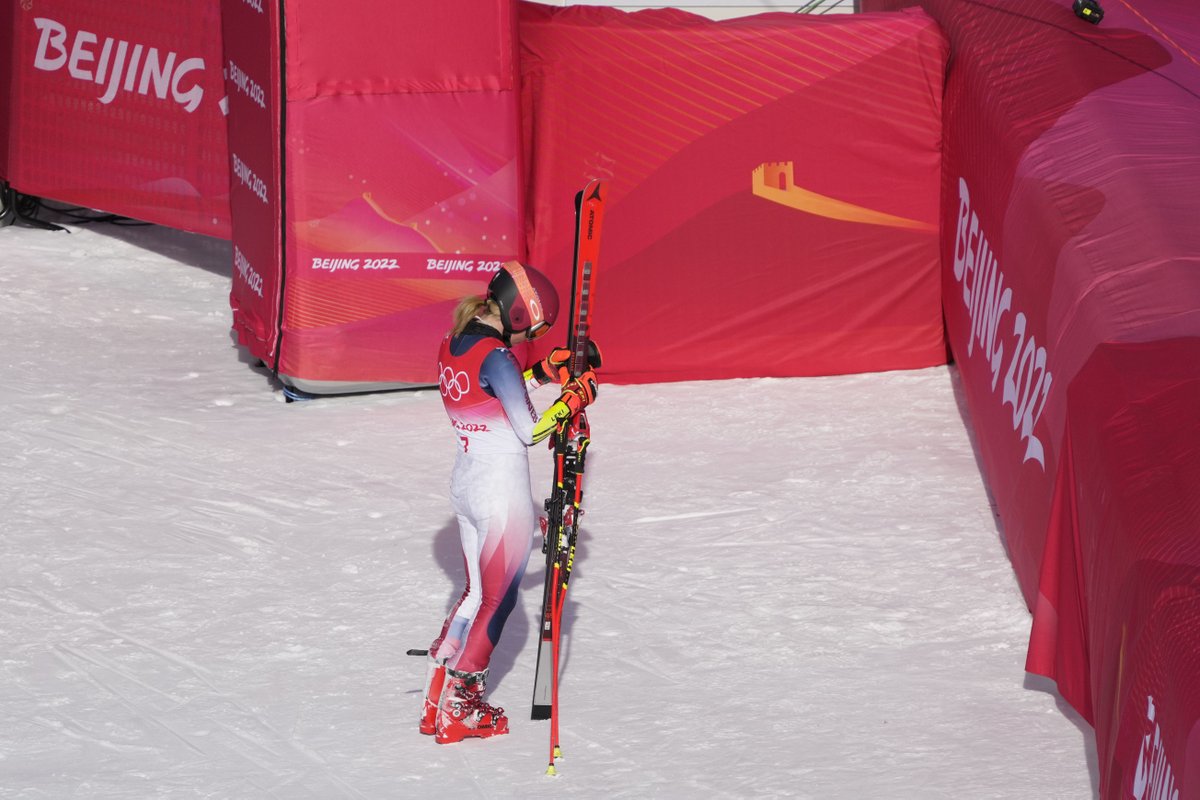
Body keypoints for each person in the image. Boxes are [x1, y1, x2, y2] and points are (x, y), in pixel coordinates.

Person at [420, 261, 600, 745]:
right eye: (532, 332)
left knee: (475, 594)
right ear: (523, 314)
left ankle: (437, 695)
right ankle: (462, 707)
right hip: (502, 495)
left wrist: (542, 372)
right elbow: (527, 430)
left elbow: (492, 391)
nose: (527, 341)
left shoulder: (455, 339)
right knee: (496, 603)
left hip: (467, 485)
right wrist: (572, 400)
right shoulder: (498, 355)